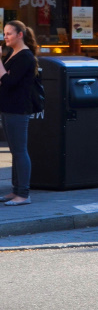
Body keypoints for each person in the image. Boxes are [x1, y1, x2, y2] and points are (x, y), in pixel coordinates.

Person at [0, 21, 38, 206]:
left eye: (8, 33)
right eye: (4, 33)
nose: (5, 36)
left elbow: (10, 81)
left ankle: (23, 194)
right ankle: (16, 190)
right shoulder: (14, 54)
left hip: (18, 109)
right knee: (15, 151)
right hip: (8, 107)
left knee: (20, 151)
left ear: (20, 35)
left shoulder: (25, 56)